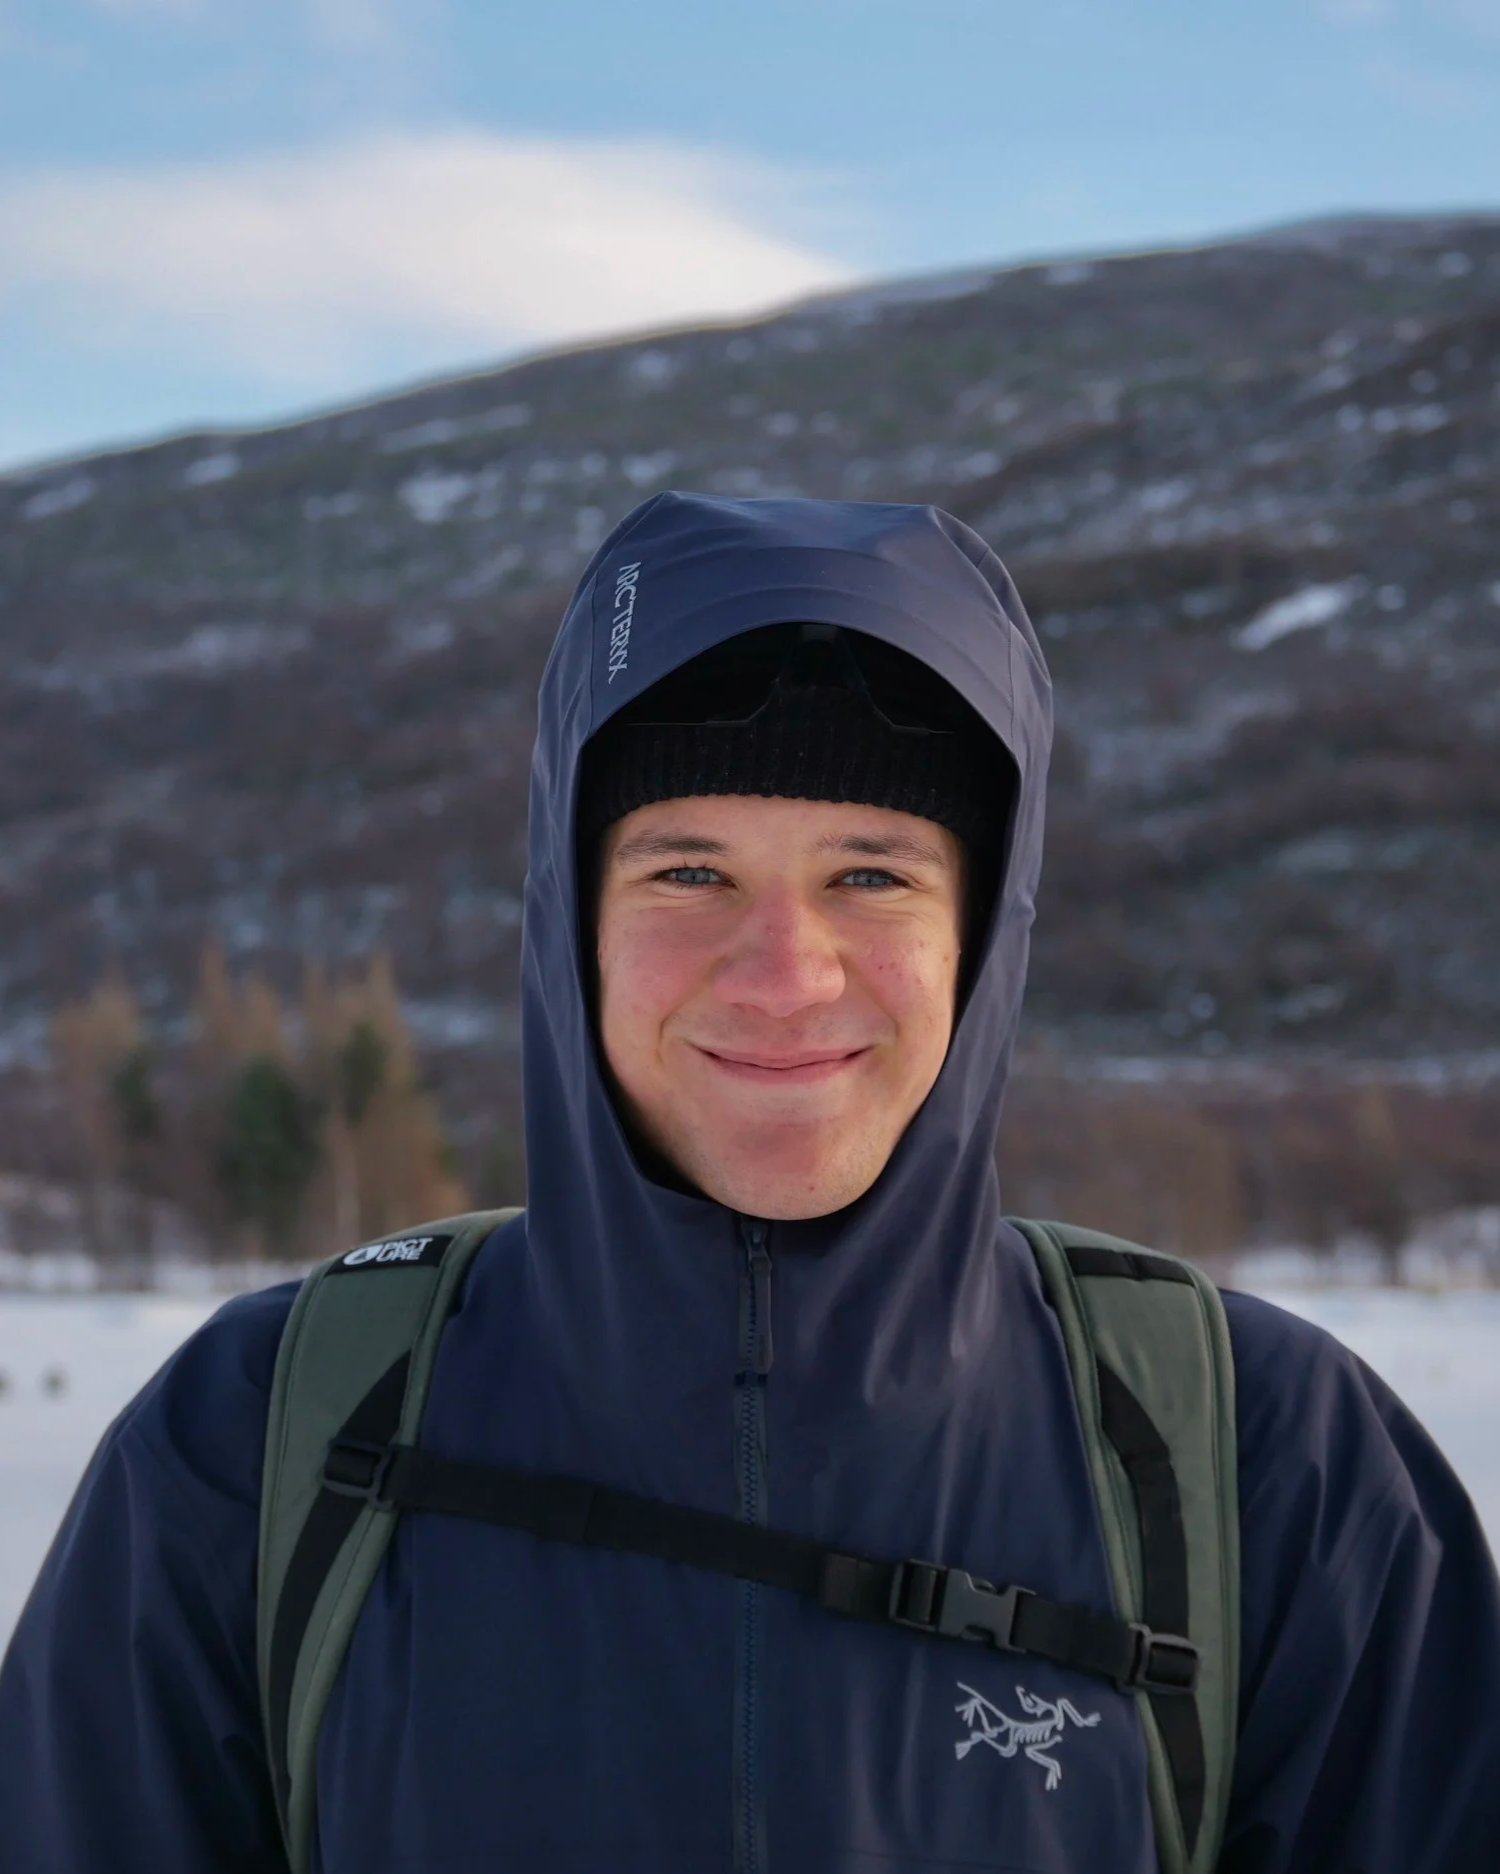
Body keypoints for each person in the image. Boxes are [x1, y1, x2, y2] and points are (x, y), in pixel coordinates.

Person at [2, 492, 1498, 1873]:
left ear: (984, 930)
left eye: (871, 872)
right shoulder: (256, 1445)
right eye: (687, 871)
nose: (786, 974)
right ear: (565, 917)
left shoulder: (1269, 1470)